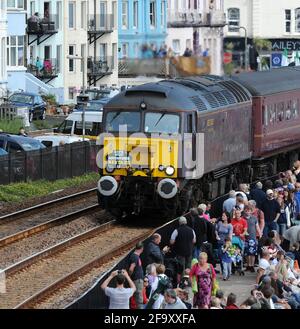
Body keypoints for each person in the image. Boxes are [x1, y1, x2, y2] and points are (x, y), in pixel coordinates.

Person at [244, 205, 261, 272]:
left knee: (253, 252)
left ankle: (252, 265)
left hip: (252, 237)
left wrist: (260, 233)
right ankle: (248, 265)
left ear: (251, 211)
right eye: (246, 210)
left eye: (249, 210)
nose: (247, 212)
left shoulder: (254, 218)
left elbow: (257, 227)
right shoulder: (243, 218)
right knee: (247, 252)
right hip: (245, 238)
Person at [128, 242, 144, 309]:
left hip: (137, 279)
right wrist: (129, 276)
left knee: (138, 297)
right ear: (142, 249)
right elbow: (131, 269)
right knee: (139, 298)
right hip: (137, 280)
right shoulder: (135, 257)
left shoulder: (136, 256)